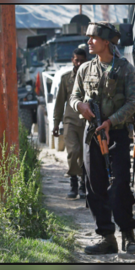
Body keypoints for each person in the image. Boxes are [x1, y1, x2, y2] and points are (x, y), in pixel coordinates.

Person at [69, 21, 135, 255]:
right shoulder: (85, 69)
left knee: (120, 185)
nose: (89, 42)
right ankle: (107, 237)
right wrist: (80, 105)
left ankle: (128, 235)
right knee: (94, 186)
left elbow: (134, 102)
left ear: (107, 42)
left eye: (93, 38)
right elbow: (74, 96)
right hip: (92, 135)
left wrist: (111, 122)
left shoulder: (124, 68)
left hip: (117, 134)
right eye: (88, 37)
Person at [53, 48, 88, 199]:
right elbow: (60, 102)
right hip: (70, 121)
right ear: (72, 60)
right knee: (73, 151)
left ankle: (83, 185)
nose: (79, 63)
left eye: (82, 60)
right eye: (76, 60)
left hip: (87, 122)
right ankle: (74, 182)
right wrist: (56, 123)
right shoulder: (66, 78)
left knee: (85, 155)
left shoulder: (91, 77)